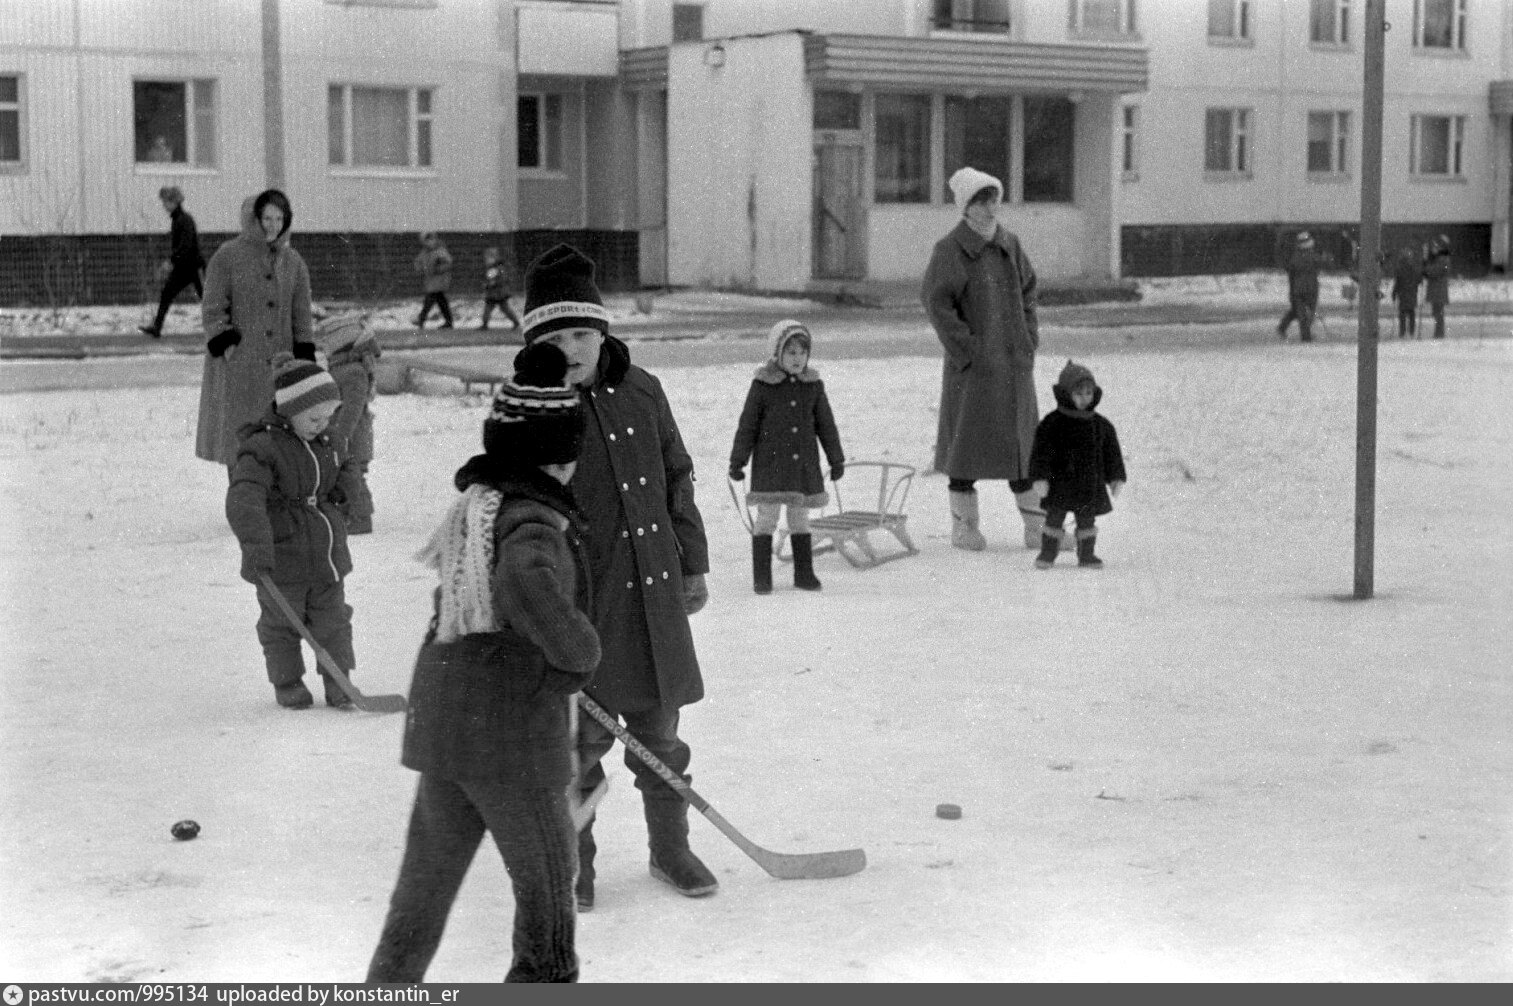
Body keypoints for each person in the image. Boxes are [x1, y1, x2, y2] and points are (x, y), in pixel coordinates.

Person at [366, 342, 597, 984]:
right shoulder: (531, 524)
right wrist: (578, 656)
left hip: (447, 729)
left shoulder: (477, 510)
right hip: (511, 744)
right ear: (560, 455)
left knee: (424, 887)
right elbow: (527, 584)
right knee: (549, 889)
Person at [519, 243, 716, 911]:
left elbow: (675, 477)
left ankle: (671, 850)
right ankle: (573, 869)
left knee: (661, 742)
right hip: (583, 616)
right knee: (575, 755)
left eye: (582, 333)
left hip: (652, 606)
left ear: (603, 333)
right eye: (554, 337)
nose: (571, 348)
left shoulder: (643, 391)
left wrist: (691, 560)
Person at [922, 166, 1055, 553]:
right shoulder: (950, 250)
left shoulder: (1010, 244)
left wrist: (1029, 338)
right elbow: (936, 302)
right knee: (966, 450)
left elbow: (1029, 291)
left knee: (1023, 451)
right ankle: (964, 528)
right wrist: (967, 350)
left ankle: (1038, 529)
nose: (990, 207)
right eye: (981, 200)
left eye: (993, 198)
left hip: (1014, 366)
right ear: (966, 206)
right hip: (974, 373)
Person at [226, 353, 360, 709]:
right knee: (282, 624)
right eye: (314, 417)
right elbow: (244, 498)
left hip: (327, 557)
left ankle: (338, 679)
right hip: (282, 558)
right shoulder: (263, 449)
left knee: (333, 620)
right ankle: (287, 682)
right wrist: (256, 548)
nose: (323, 424)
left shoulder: (327, 443)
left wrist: (346, 497)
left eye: (329, 416)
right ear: (289, 411)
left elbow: (345, 465)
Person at [196, 189, 316, 470]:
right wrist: (227, 344)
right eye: (266, 218)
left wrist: (304, 351)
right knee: (241, 438)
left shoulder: (294, 262)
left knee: (278, 437)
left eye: (279, 218)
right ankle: (243, 502)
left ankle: (270, 504)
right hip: (240, 365)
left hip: (280, 365)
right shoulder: (228, 256)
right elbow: (212, 306)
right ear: (254, 219)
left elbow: (302, 313)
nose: (273, 225)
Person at [728, 319, 845, 594]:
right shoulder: (762, 385)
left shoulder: (813, 386)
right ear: (777, 353)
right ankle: (762, 577)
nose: (797, 358)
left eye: (802, 353)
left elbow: (826, 425)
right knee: (767, 518)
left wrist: (836, 459)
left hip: (802, 466)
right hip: (770, 467)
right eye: (791, 352)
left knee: (799, 519)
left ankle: (804, 574)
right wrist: (738, 460)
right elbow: (748, 425)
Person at [1027, 360, 1127, 571]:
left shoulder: (1100, 425)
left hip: (1088, 485)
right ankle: (1048, 552)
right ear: (1066, 394)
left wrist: (1115, 477)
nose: (1084, 399)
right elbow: (1041, 453)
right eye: (1079, 393)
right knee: (1054, 518)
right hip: (1059, 484)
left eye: (1088, 393)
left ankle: (1087, 554)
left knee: (1086, 520)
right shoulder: (1052, 424)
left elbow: (1111, 454)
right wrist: (1040, 477)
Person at [314, 313, 380, 534]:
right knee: (347, 476)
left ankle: (361, 518)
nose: (324, 347)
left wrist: (341, 437)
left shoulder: (353, 371)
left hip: (352, 436)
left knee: (354, 477)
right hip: (344, 435)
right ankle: (349, 513)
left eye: (327, 342)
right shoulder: (342, 368)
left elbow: (352, 409)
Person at [139, 186, 205, 338]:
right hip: (184, 266)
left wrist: (171, 261)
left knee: (208, 298)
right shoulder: (178, 219)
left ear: (174, 202)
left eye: (166, 202)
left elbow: (186, 245)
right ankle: (157, 327)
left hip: (193, 266)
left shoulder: (184, 220)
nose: (164, 205)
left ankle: (225, 327)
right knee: (167, 293)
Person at [1277, 231, 1322, 343]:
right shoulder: (1311, 257)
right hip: (1309, 289)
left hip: (1299, 289)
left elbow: (1291, 274)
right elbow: (1318, 267)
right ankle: (1305, 336)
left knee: (1299, 312)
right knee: (1305, 313)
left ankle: (1285, 328)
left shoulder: (1296, 257)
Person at [413, 231, 454, 330]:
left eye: (431, 240)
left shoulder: (440, 251)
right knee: (441, 301)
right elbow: (419, 262)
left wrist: (438, 269)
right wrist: (420, 269)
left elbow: (448, 263)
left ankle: (421, 319)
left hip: (439, 280)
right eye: (427, 241)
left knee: (430, 300)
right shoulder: (425, 252)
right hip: (431, 280)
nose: (429, 243)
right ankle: (448, 321)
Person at [479, 246, 522, 331]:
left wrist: (492, 283)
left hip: (499, 293)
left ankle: (516, 322)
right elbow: (488, 279)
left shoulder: (499, 268)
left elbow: (502, 279)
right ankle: (484, 324)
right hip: (492, 293)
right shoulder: (490, 269)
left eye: (489, 258)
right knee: (489, 308)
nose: (486, 260)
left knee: (504, 308)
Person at [1391, 244, 1424, 339]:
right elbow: (1419, 280)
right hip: (1412, 293)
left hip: (1402, 294)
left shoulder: (1400, 268)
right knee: (1411, 314)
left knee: (1402, 315)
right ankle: (1411, 332)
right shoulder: (1414, 268)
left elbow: (1397, 283)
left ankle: (1402, 332)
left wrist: (1394, 293)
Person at [1424, 234, 1452, 340]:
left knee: (1438, 313)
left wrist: (1426, 267)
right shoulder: (1440, 259)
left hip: (1438, 291)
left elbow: (1433, 271)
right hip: (1437, 290)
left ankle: (1439, 334)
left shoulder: (1442, 259)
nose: (1434, 249)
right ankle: (1438, 333)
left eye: (1436, 247)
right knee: (1437, 313)